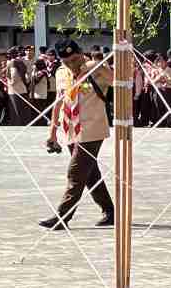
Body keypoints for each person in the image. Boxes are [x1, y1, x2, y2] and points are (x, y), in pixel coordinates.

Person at [40, 40, 116, 230]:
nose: (71, 64)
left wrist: (102, 63)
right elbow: (58, 101)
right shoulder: (61, 73)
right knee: (90, 173)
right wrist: (52, 133)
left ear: (81, 53)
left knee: (75, 172)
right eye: (66, 61)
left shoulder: (95, 68)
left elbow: (117, 80)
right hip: (71, 129)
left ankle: (62, 216)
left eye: (74, 59)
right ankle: (110, 211)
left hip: (92, 129)